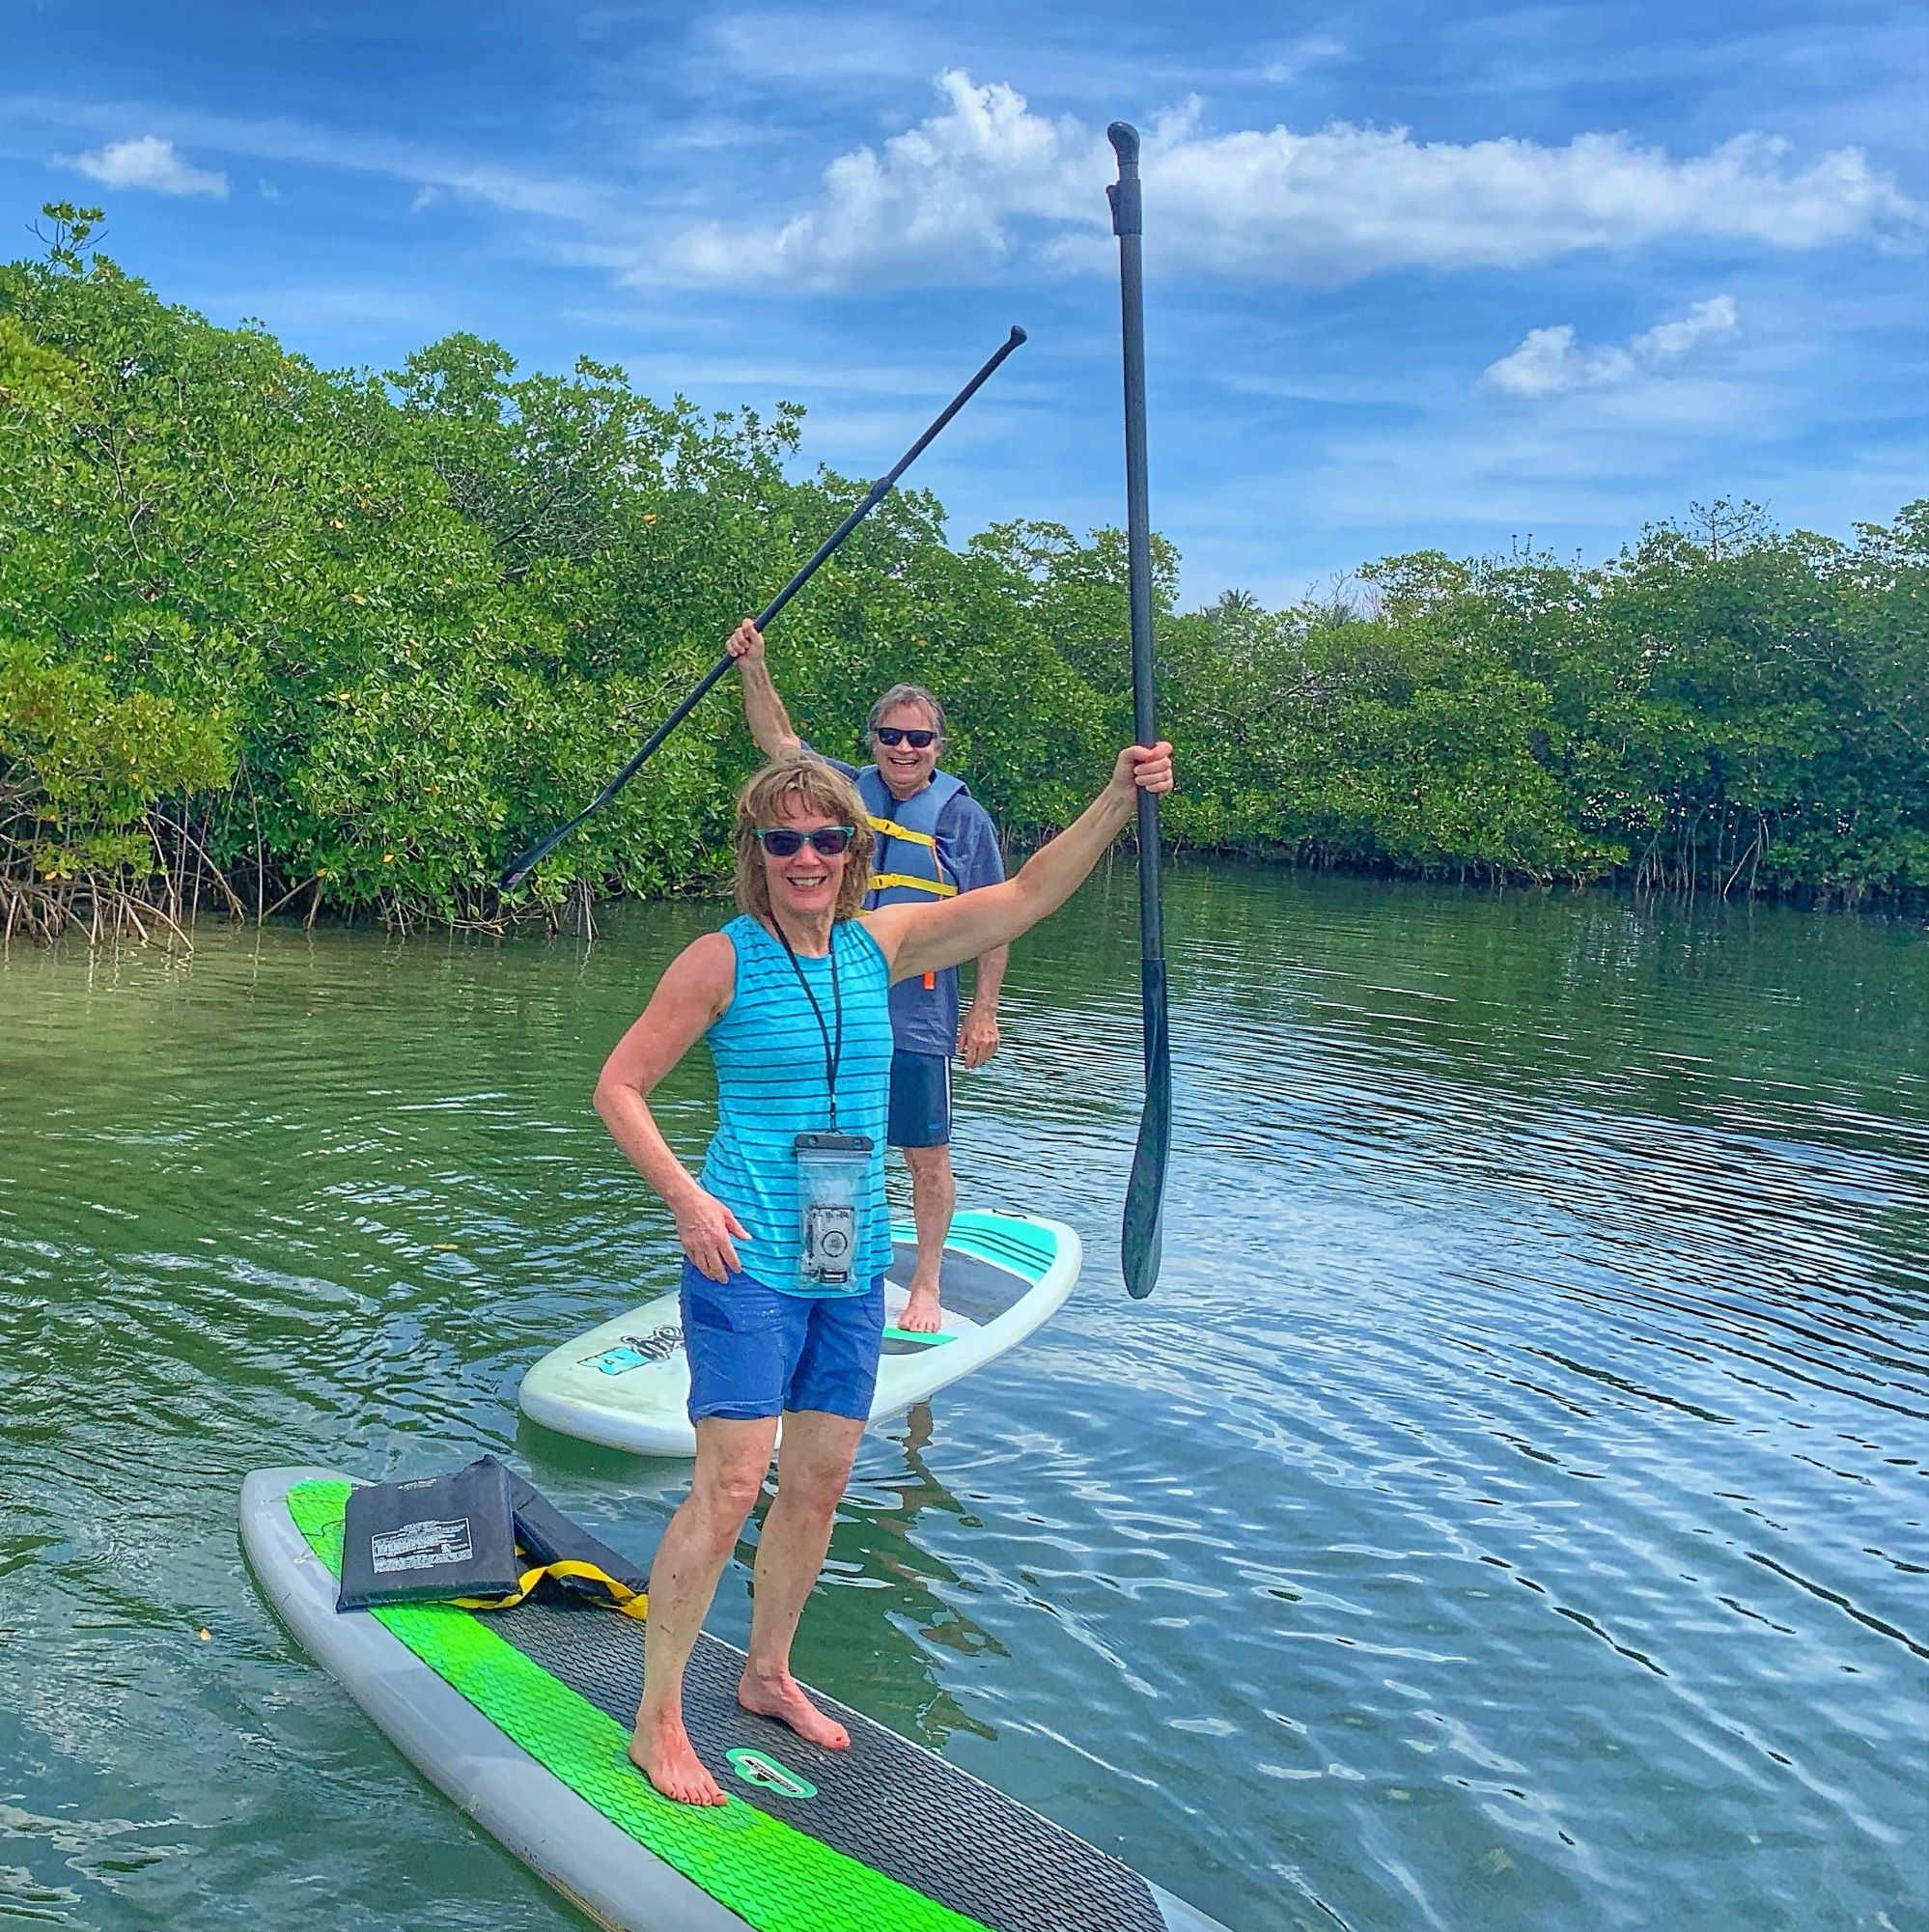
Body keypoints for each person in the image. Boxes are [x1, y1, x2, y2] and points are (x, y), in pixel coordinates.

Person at [593, 710, 1174, 1807]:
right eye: (784, 843)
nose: (806, 859)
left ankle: (766, 1673)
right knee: (726, 1487)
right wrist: (686, 1198)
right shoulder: (719, 959)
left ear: (855, 854)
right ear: (757, 857)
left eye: (826, 841)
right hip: (747, 1256)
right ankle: (658, 1717)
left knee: (818, 1484)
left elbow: (1028, 896)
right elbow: (619, 1087)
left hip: (846, 1254)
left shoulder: (885, 946)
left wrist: (1116, 796)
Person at [727, 618, 1002, 1332]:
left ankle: (927, 1285)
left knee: (925, 1156)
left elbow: (1000, 917)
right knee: (832, 1146)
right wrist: (754, 666)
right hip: (837, 1002)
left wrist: (984, 1011)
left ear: (938, 747)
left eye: (919, 738)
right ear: (873, 738)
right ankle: (827, 1270)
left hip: (920, 1016)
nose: (904, 749)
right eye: (891, 735)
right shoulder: (841, 794)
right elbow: (777, 741)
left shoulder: (966, 820)